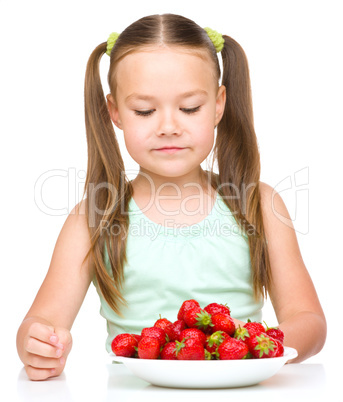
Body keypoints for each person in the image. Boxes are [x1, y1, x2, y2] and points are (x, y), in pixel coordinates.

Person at [16, 13, 326, 380]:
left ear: (218, 105)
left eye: (189, 107)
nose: (168, 127)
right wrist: (39, 345)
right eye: (145, 111)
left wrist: (255, 347)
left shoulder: (260, 206)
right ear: (114, 111)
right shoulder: (92, 219)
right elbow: (41, 322)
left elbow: (309, 321)